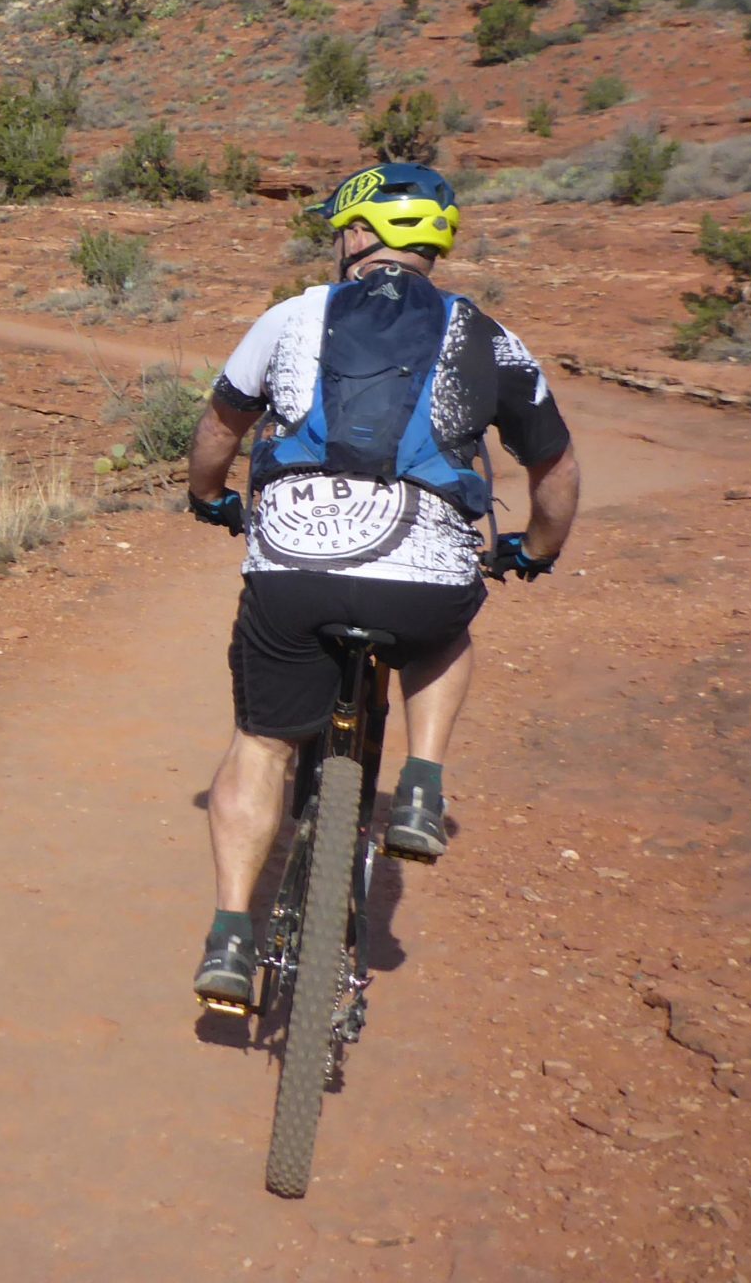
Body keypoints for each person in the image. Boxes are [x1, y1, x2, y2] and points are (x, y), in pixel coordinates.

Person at [181, 162, 581, 1007]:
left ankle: (228, 936)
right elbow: (553, 466)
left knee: (261, 742)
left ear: (361, 233)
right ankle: (423, 788)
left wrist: (208, 497)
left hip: (292, 577)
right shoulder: (488, 335)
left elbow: (221, 427)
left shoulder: (291, 316)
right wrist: (535, 551)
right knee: (445, 624)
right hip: (421, 582)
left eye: (342, 228)